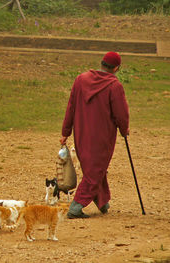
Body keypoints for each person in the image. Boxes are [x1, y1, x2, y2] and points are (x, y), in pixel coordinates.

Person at [60, 51, 129, 219]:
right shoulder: (115, 86)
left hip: (82, 133)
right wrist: (124, 129)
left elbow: (71, 106)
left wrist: (66, 132)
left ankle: (102, 202)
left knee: (95, 168)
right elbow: (121, 113)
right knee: (95, 170)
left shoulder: (81, 79)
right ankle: (76, 206)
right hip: (103, 136)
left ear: (102, 63)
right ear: (116, 68)